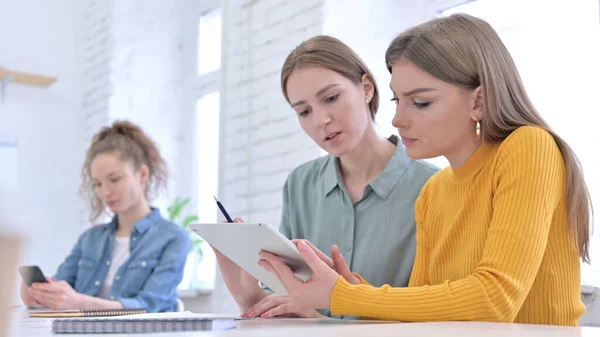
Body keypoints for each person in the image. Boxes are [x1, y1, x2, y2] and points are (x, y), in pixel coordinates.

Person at [257, 14, 593, 327]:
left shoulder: (529, 146)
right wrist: (347, 292)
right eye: (397, 101)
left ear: (478, 101)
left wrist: (345, 295)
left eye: (420, 103)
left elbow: (496, 299)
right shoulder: (434, 191)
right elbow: (420, 322)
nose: (397, 120)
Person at [215, 35, 438, 319]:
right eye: (304, 111)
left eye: (331, 98)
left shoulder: (432, 188)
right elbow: (292, 301)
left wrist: (321, 321)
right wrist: (250, 296)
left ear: (366, 88)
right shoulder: (300, 185)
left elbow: (434, 315)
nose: (321, 120)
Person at [20, 120, 190, 313]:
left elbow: (150, 306)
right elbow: (62, 291)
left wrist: (80, 303)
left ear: (142, 174)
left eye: (114, 179)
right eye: (98, 184)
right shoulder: (90, 239)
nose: (105, 192)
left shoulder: (173, 238)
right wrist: (38, 297)